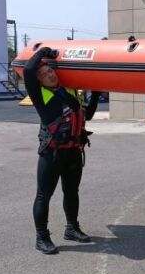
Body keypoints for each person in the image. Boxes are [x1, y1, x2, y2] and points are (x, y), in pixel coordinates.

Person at [23, 47, 101, 255]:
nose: (50, 74)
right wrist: (43, 52)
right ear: (39, 81)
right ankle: (41, 237)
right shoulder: (40, 94)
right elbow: (29, 70)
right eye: (45, 74)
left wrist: (97, 93)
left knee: (72, 192)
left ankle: (72, 228)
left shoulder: (69, 91)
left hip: (73, 152)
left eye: (51, 71)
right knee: (43, 196)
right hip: (52, 154)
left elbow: (89, 114)